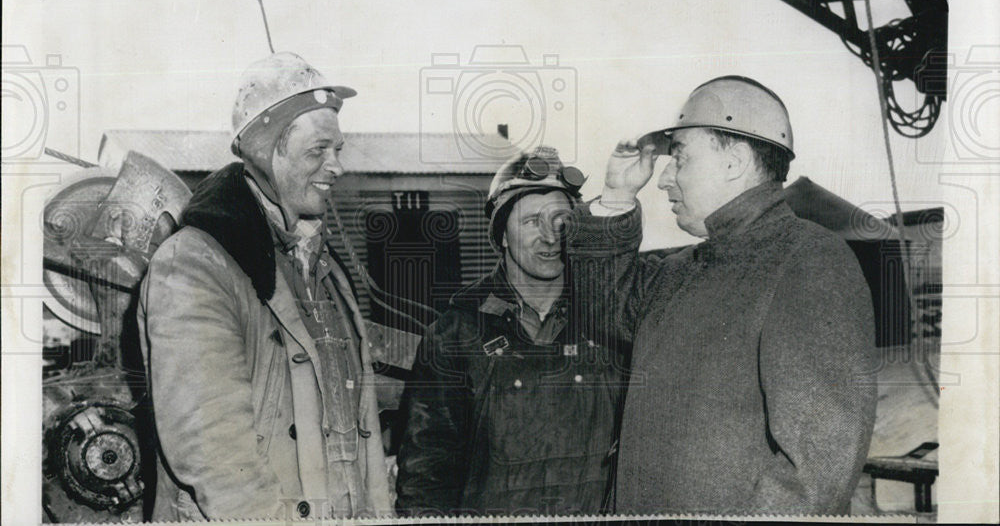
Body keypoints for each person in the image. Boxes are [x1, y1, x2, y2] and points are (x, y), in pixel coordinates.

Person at [566, 76, 878, 515]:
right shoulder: (681, 270)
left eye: (680, 158)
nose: (664, 179)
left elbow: (814, 474)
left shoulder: (809, 262)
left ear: (733, 163)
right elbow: (598, 307)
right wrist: (616, 197)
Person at [138, 52, 392, 521]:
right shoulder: (195, 264)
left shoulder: (324, 269)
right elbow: (214, 454)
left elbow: (363, 442)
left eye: (338, 149)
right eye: (318, 150)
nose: (336, 167)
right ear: (266, 150)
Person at [395, 146, 626, 516]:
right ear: (502, 235)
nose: (551, 238)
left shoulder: (610, 321)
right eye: (532, 221)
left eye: (562, 221)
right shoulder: (456, 334)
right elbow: (427, 476)